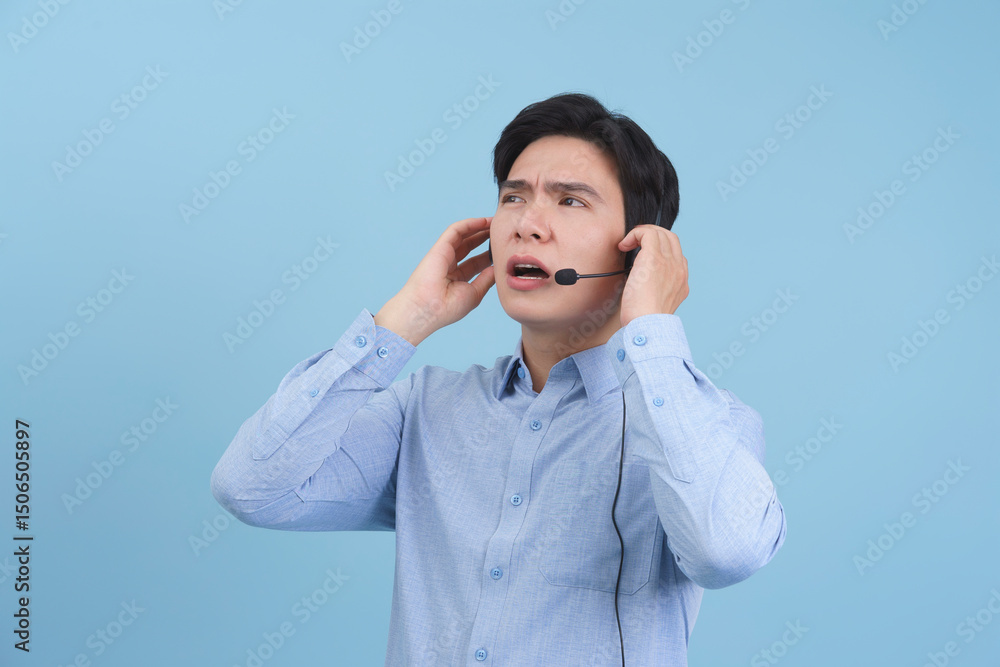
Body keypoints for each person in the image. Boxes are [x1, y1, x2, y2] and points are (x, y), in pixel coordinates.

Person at [211, 92, 787, 666]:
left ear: (638, 252)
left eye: (570, 200)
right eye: (513, 197)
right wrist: (402, 322)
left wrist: (652, 332)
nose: (527, 225)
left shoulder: (705, 425)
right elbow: (251, 488)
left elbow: (727, 553)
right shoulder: (425, 409)